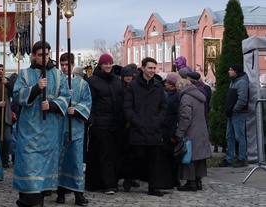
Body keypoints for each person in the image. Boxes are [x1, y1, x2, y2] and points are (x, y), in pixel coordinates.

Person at [13, 41, 70, 207]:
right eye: (39, 55)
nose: (43, 58)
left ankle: (36, 202)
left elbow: (66, 96)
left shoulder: (59, 75)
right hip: (29, 128)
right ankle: (32, 202)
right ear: (33, 56)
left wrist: (52, 105)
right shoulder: (25, 74)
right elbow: (17, 95)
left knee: (44, 166)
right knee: (29, 165)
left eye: (46, 54)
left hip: (49, 128)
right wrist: (37, 88)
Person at [123, 57, 167, 197]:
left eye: (154, 68)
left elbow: (163, 106)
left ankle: (153, 187)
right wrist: (136, 120)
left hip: (154, 128)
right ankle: (129, 177)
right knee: (136, 158)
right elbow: (127, 107)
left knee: (154, 160)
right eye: (150, 68)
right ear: (143, 68)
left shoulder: (158, 85)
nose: (152, 71)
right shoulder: (133, 86)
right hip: (138, 128)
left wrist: (158, 120)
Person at [85, 53, 124, 195]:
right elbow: (91, 103)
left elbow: (121, 99)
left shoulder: (116, 80)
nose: (108, 66)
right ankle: (109, 184)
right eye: (105, 64)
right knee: (105, 154)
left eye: (110, 64)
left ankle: (112, 181)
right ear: (100, 65)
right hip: (101, 123)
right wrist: (93, 120)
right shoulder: (93, 81)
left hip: (116, 122)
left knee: (115, 153)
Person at [56, 53, 91, 205]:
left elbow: (87, 101)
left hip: (75, 126)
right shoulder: (56, 82)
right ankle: (60, 192)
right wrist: (62, 101)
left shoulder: (82, 84)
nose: (64, 68)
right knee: (60, 160)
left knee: (76, 160)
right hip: (59, 126)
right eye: (62, 65)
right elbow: (51, 100)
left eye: (66, 65)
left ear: (72, 64)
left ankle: (78, 193)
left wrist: (76, 110)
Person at [175, 79, 212, 191]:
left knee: (189, 155)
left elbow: (185, 117)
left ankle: (191, 183)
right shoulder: (198, 95)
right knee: (199, 157)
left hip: (191, 131)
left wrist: (179, 132)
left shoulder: (186, 98)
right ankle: (198, 181)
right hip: (201, 129)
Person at [219, 64, 249, 168]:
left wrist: (235, 109)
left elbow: (242, 99)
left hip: (238, 114)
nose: (229, 71)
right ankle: (229, 158)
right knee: (230, 136)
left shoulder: (241, 82)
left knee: (239, 137)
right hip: (232, 114)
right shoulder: (234, 82)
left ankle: (241, 159)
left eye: (231, 70)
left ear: (236, 71)